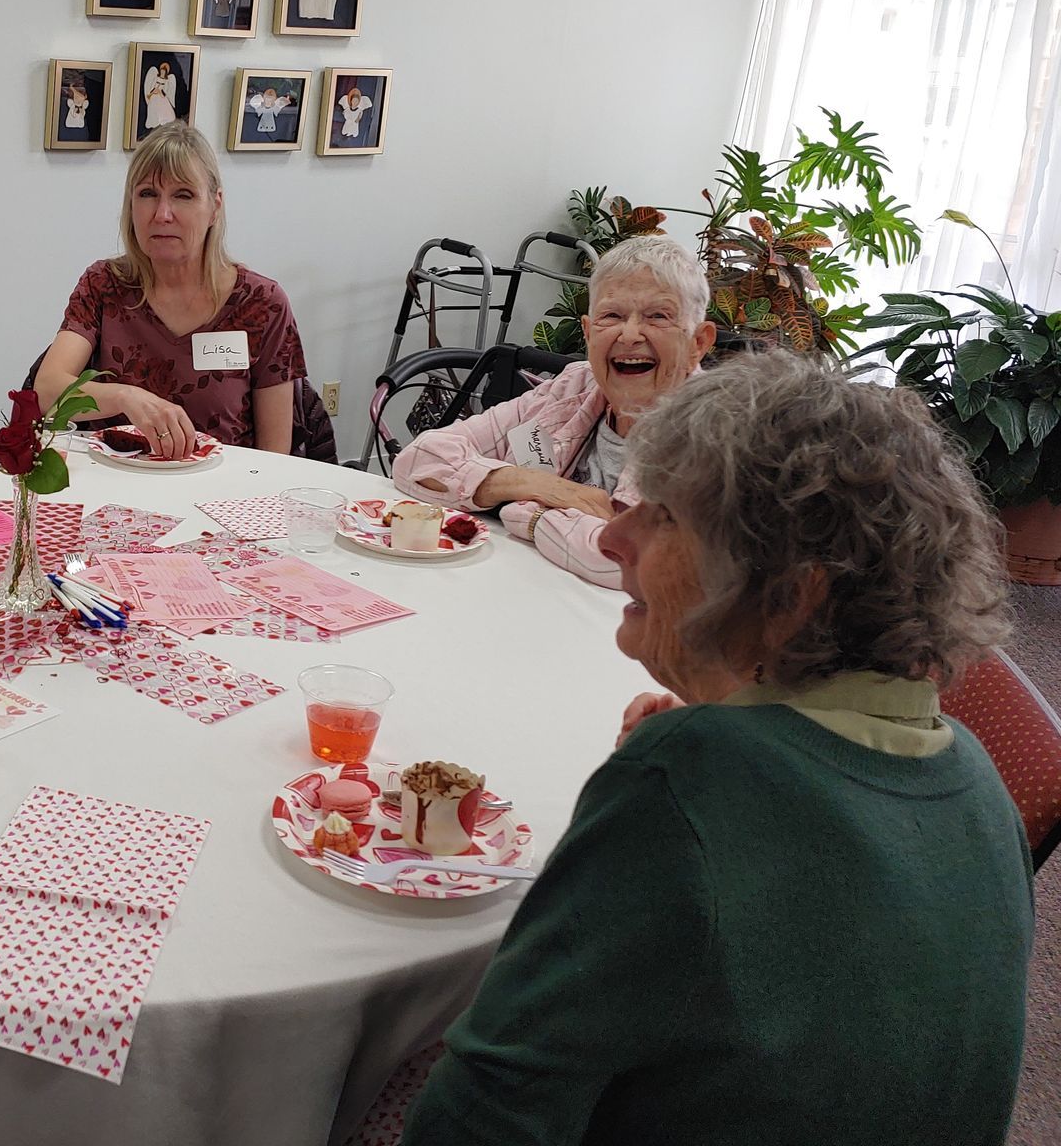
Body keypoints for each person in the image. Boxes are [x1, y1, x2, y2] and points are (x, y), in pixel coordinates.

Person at [402, 350, 1032, 1145]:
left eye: (662, 516)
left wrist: (677, 778)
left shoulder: (687, 777)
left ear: (790, 593)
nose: (611, 538)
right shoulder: (976, 783)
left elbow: (487, 1106)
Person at [392, 235, 714, 587]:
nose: (631, 334)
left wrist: (524, 513)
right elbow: (417, 459)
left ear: (698, 342)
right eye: (612, 315)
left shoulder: (717, 430)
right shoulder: (574, 388)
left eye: (657, 316)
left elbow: (635, 562)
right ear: (589, 334)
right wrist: (541, 485)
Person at [35, 121, 305, 457]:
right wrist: (125, 396)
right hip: (116, 493)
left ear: (215, 206)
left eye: (183, 195)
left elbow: (274, 457)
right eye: (147, 194)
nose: (163, 214)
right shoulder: (105, 284)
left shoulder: (262, 303)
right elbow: (47, 390)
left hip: (220, 498)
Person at [143, 61, 178, 128]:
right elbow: (152, 88)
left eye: (164, 72)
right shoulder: (156, 78)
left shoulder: (166, 80)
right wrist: (152, 93)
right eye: (161, 71)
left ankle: (165, 121)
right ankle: (153, 122)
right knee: (153, 109)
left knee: (165, 108)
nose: (162, 73)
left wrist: (160, 92)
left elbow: (164, 93)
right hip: (154, 96)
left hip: (161, 96)